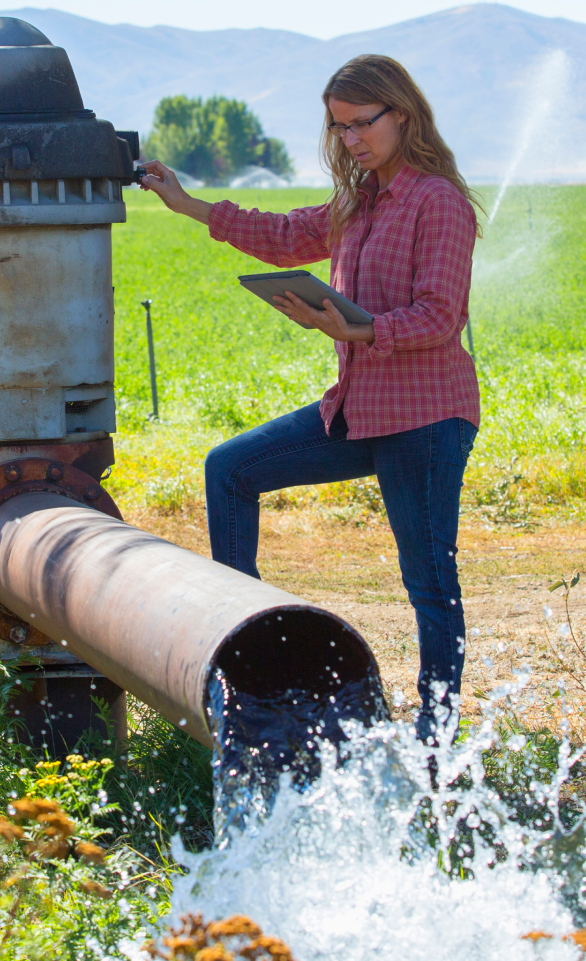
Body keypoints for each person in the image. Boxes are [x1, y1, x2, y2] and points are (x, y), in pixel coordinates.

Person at [137, 55, 482, 744]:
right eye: (339, 127)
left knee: (429, 582)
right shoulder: (364, 198)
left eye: (363, 123)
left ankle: (437, 741)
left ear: (402, 113)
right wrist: (188, 204)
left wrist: (355, 327)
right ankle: (251, 660)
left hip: (425, 416)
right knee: (229, 469)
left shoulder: (436, 199)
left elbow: (440, 316)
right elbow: (288, 235)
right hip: (358, 410)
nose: (352, 139)